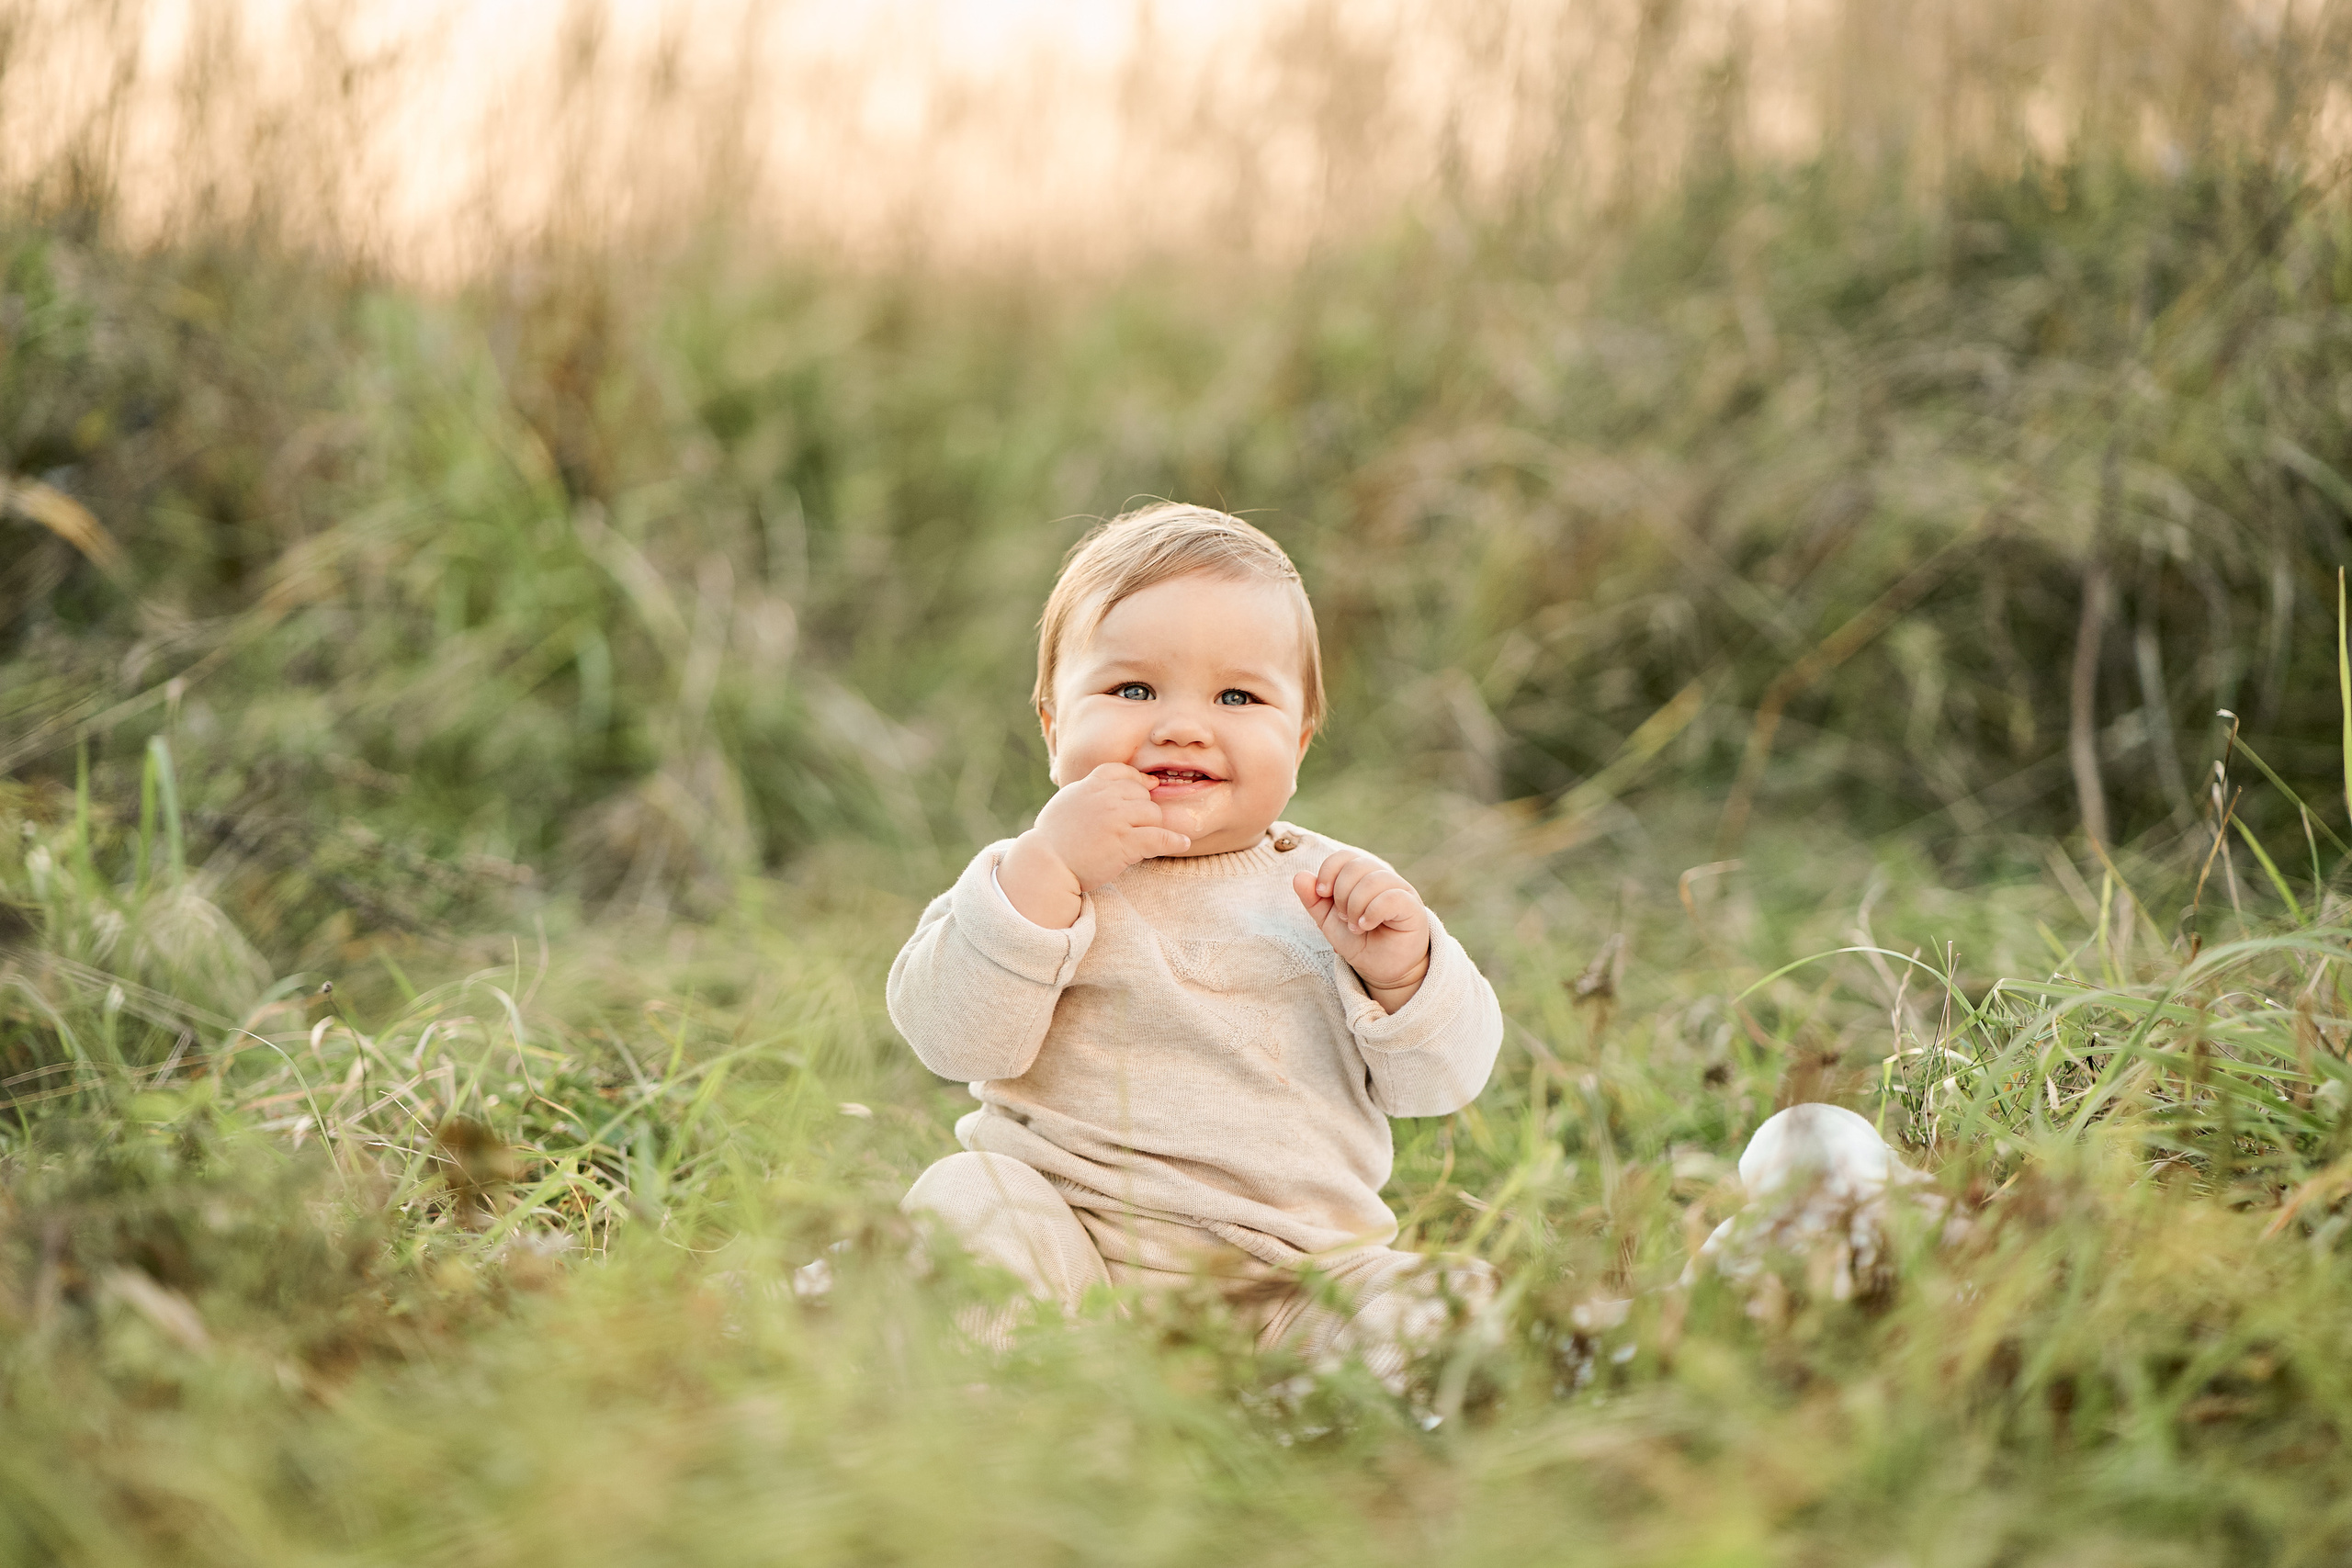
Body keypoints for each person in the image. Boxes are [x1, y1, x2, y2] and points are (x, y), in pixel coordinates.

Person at [887, 502, 1504, 1387]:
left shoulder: (1334, 894)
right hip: (1072, 1255)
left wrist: (1407, 975)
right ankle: (1025, 1397)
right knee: (966, 1199)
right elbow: (954, 1040)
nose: (1182, 724)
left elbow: (1445, 1080)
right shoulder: (1028, 877)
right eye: (1133, 690)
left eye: (1238, 697)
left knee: (1443, 1302)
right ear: (1055, 722)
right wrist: (1045, 876)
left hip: (1295, 1287)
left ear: (1296, 740)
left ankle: (1330, 1407)